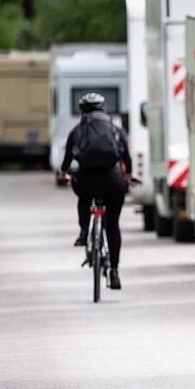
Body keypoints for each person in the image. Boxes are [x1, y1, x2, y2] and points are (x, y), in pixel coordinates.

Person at [56, 92, 137, 290]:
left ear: (82, 111)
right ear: (103, 108)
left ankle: (84, 231)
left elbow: (67, 159)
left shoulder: (77, 130)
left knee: (84, 197)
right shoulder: (115, 128)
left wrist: (64, 174)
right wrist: (128, 175)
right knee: (113, 225)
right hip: (112, 179)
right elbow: (126, 157)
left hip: (87, 178)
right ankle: (115, 271)